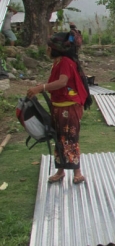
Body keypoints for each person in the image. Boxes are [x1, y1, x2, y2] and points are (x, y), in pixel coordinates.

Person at [26, 32, 89, 184]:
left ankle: (77, 172)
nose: (47, 50)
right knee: (59, 138)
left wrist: (41, 87)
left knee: (71, 138)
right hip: (59, 107)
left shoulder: (66, 62)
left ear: (54, 49)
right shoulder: (58, 62)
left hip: (69, 107)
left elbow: (62, 82)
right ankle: (60, 171)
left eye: (48, 47)